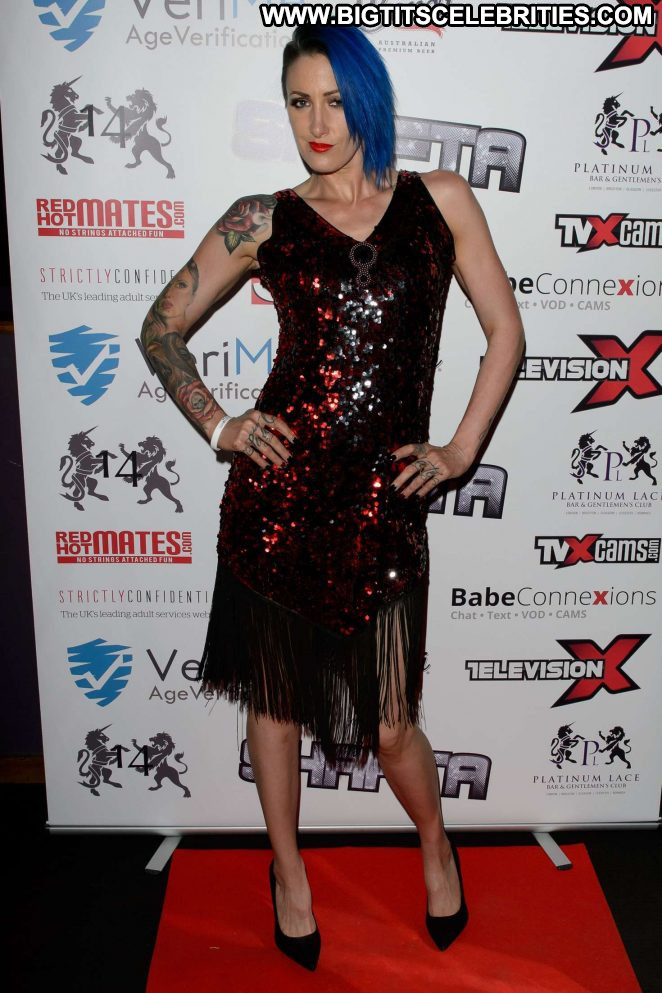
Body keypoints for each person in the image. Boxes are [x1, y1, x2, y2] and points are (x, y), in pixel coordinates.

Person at [140, 24, 525, 971]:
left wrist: (460, 450)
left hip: (385, 508)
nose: (317, 121)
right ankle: (287, 871)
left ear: (369, 100)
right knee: (273, 707)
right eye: (299, 101)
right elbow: (160, 328)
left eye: (336, 100)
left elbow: (505, 333)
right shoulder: (264, 218)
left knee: (392, 725)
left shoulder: (440, 201)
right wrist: (221, 426)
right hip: (276, 504)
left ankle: (435, 839)